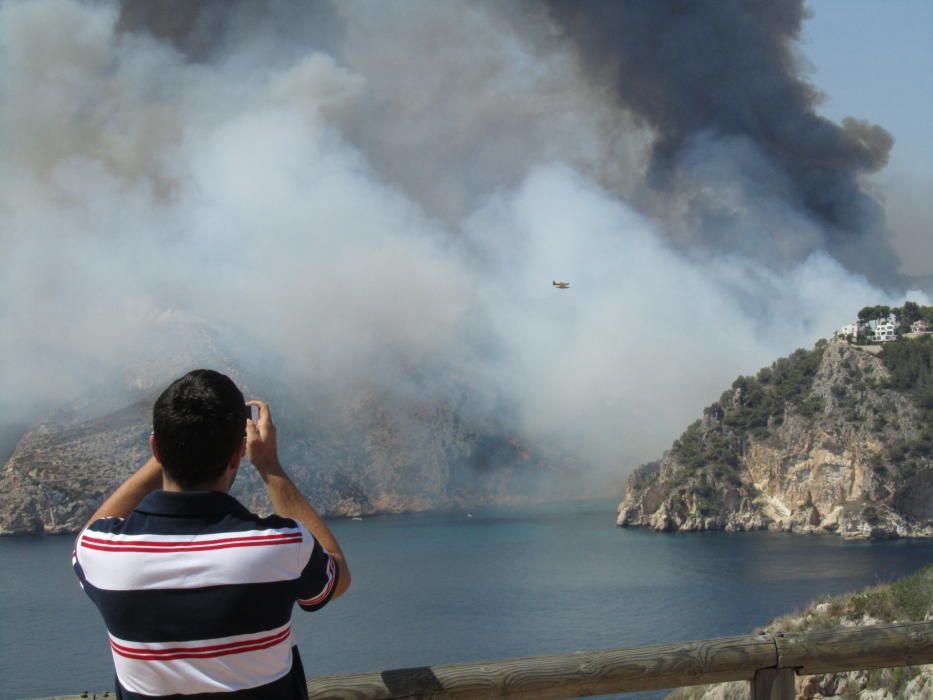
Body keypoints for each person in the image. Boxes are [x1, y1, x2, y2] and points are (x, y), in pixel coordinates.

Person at [73, 369, 350, 699]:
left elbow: (90, 531)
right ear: (238, 454)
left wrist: (169, 449)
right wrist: (270, 467)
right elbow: (338, 576)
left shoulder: (103, 553)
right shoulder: (279, 546)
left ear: (155, 449)